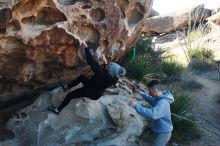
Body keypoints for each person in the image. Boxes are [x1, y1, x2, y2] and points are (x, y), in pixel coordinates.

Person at [48, 47, 126, 115]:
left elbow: (92, 62)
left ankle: (57, 110)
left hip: (90, 91)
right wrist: (105, 63)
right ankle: (67, 87)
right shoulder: (115, 78)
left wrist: (86, 48)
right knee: (82, 77)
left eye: (109, 67)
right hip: (97, 90)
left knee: (70, 95)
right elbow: (107, 73)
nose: (108, 67)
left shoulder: (101, 74)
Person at [128, 80, 174, 146]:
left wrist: (136, 105)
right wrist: (142, 93)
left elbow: (153, 114)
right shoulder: (159, 97)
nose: (149, 93)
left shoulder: (163, 102)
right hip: (160, 130)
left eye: (150, 91)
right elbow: (152, 100)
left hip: (164, 132)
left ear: (155, 90)